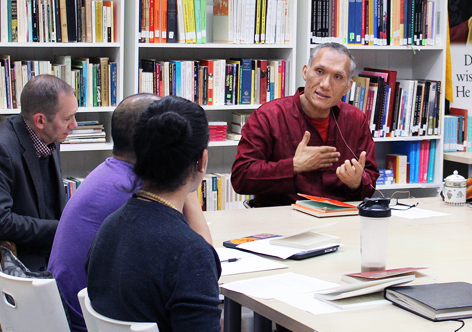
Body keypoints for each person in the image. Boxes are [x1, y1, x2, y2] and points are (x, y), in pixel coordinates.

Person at [49, 94, 213, 332]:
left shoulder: (111, 222)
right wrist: (188, 181)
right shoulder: (188, 251)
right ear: (202, 160)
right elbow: (203, 259)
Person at [232, 42, 378, 207]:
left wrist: (356, 183)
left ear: (347, 87)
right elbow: (241, 178)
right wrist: (294, 166)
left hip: (339, 216)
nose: (325, 84)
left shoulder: (355, 119)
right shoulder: (268, 116)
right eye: (319, 71)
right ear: (305, 72)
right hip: (284, 215)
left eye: (337, 77)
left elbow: (370, 180)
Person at [0, 74, 78, 271]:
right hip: (23, 262)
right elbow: (2, 221)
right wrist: (61, 228)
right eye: (67, 118)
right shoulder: (3, 149)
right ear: (40, 120)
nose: (74, 125)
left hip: (54, 251)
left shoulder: (50, 136)